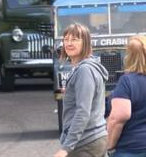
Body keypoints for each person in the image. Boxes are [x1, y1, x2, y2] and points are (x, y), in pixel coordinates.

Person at [53, 23, 108, 157]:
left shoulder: (85, 70)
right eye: (66, 39)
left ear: (86, 43)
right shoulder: (83, 68)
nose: (69, 43)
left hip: (85, 143)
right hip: (93, 140)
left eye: (75, 39)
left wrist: (66, 148)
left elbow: (83, 112)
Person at [107, 35, 146, 157]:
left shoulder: (127, 82)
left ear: (129, 56)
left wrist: (109, 146)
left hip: (131, 149)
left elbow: (118, 118)